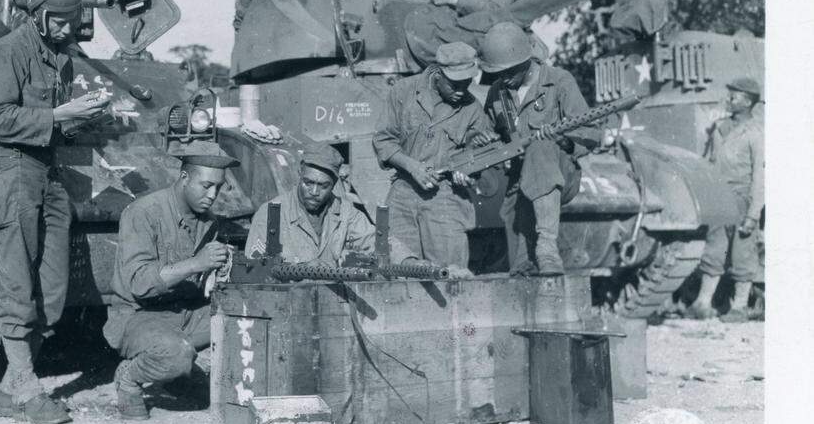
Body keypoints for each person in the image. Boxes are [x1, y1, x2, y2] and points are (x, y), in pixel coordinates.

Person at [0, 0, 112, 424]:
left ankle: (9, 389)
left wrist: (87, 116)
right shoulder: (8, 50)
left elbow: (54, 123)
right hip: (13, 174)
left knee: (53, 293)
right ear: (36, 14)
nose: (65, 28)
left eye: (71, 20)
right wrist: (59, 113)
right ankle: (25, 387)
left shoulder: (62, 58)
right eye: (56, 19)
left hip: (48, 173)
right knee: (18, 284)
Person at [105, 144, 240, 420]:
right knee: (176, 354)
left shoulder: (208, 221)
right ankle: (129, 377)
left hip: (185, 313)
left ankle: (178, 375)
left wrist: (222, 270)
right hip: (139, 316)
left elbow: (202, 280)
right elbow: (139, 284)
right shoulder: (143, 212)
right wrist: (198, 263)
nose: (212, 195)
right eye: (206, 186)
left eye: (219, 188)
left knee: (241, 322)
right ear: (184, 178)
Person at [473, 22, 599, 275]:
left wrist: (563, 140)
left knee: (540, 147)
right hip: (520, 180)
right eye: (498, 73)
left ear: (526, 61)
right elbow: (492, 132)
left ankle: (548, 248)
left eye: (509, 71)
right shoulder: (498, 91)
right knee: (520, 264)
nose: (503, 78)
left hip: (560, 173)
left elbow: (591, 134)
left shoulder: (559, 81)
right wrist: (483, 137)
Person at [373, 42, 491, 277]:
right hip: (402, 192)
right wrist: (412, 166)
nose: (462, 90)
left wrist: (466, 174)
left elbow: (478, 162)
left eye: (467, 82)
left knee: (451, 275)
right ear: (437, 74)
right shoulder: (403, 92)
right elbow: (383, 141)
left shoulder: (473, 110)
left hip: (444, 196)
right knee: (397, 270)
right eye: (455, 84)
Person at [245, 143, 417, 265]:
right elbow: (251, 268)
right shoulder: (270, 213)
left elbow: (374, 240)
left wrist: (409, 261)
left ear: (334, 184)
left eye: (323, 186)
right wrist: (297, 269)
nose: (313, 192)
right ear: (299, 174)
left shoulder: (345, 212)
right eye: (308, 182)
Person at [689, 77, 765, 321]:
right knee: (714, 249)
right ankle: (702, 303)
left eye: (735, 95)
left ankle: (739, 308)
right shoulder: (719, 128)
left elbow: (760, 177)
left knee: (743, 253)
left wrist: (754, 213)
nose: (729, 99)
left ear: (747, 101)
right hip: (719, 198)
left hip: (742, 199)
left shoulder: (756, 133)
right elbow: (709, 163)